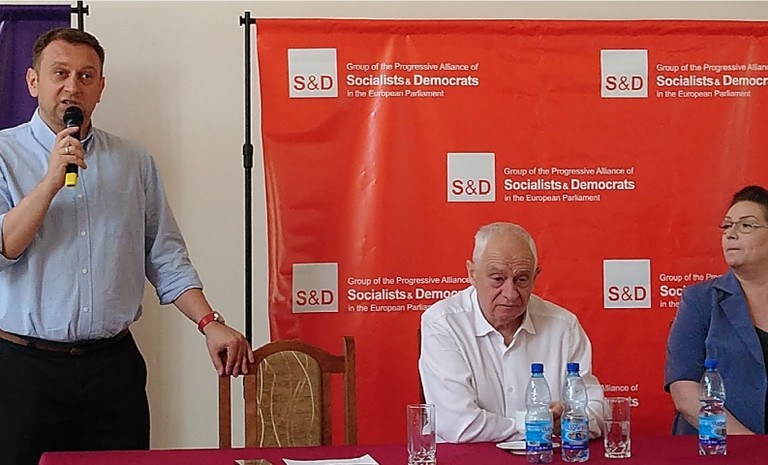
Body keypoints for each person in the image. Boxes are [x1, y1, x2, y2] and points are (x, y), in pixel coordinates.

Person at [0, 28, 254, 465]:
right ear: (33, 82)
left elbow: (165, 255)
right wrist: (50, 182)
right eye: (60, 73)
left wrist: (210, 322)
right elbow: (5, 248)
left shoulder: (134, 160)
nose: (72, 86)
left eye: (86, 76)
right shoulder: (4, 154)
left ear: (100, 87)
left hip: (112, 370)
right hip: (24, 370)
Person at [419, 222, 604, 443]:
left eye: (521, 279)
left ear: (535, 276)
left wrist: (568, 418)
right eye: (498, 279)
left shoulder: (564, 325)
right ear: (472, 274)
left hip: (544, 456)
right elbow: (458, 425)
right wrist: (539, 424)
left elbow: (596, 411)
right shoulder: (443, 323)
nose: (511, 294)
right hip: (464, 456)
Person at [665, 185, 768, 435]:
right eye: (727, 225)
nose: (731, 233)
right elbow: (684, 391)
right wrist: (749, 444)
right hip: (718, 446)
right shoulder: (699, 300)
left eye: (746, 225)